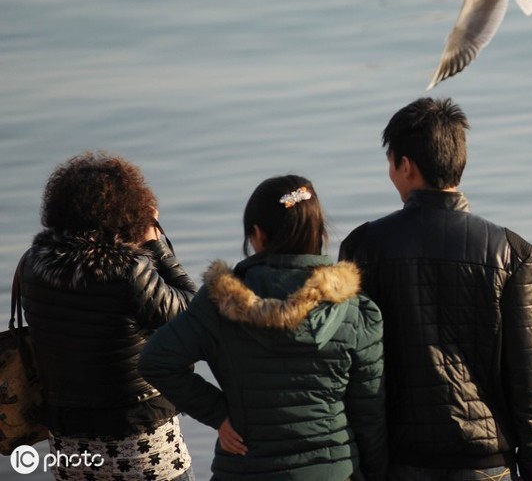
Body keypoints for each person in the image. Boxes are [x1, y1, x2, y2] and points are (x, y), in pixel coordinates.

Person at [338, 98, 532, 481]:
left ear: (407, 166)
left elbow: (352, 368)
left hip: (400, 460)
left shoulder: (363, 247)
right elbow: (527, 379)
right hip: (487, 463)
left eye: (391, 162)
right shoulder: (511, 251)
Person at [139, 175, 386, 481]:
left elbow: (156, 361)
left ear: (256, 234)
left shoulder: (218, 303)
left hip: (245, 468)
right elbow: (369, 412)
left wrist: (219, 415)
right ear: (318, 231)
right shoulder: (354, 310)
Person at [20, 152, 197, 481]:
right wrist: (155, 244)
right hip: (139, 438)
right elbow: (194, 314)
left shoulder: (32, 264)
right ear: (129, 209)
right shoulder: (128, 270)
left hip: (70, 441)